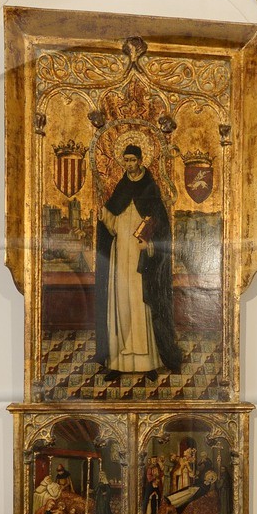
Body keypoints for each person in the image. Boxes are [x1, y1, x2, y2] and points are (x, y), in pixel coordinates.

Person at [95, 143, 182, 374]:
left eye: (133, 160)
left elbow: (161, 227)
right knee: (122, 301)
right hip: (121, 253)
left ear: (141, 161)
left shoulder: (150, 189)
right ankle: (118, 361)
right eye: (126, 160)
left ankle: (148, 363)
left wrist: (151, 245)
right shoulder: (121, 187)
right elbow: (113, 223)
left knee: (140, 302)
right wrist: (103, 214)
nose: (129, 164)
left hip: (142, 259)